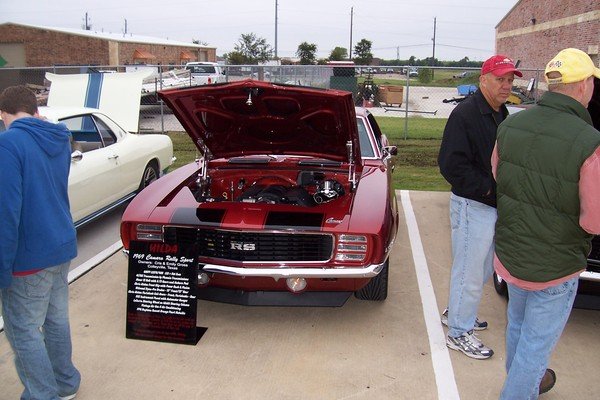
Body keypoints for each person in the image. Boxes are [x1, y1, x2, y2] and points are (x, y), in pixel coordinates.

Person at [493, 48, 600, 398]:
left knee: (518, 326)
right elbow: (594, 220)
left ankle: (522, 384)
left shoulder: (510, 125)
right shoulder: (589, 141)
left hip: (512, 253)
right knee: (535, 346)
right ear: (583, 84)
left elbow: (499, 175)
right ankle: (519, 390)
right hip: (555, 264)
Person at [438, 55, 522, 359]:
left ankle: (457, 311)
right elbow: (450, 164)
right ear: (483, 80)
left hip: (491, 206)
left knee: (483, 268)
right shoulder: (466, 114)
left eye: (510, 80)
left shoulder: (500, 112)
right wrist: (487, 188)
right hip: (472, 205)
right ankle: (459, 332)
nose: (506, 85)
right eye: (500, 79)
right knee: (469, 271)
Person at [0, 86, 81, 400]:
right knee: (55, 319)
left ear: (3, 114)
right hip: (61, 244)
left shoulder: (8, 144)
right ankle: (65, 383)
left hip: (29, 256)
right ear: (35, 111)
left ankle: (42, 394)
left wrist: (2, 268)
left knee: (23, 329)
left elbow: (6, 212)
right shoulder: (57, 137)